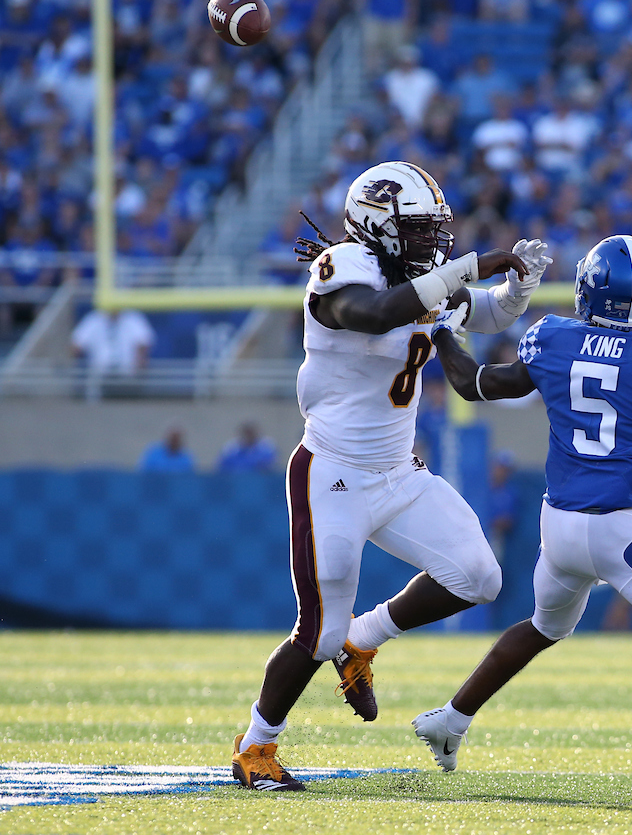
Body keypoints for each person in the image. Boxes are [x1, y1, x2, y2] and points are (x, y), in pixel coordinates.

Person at [230, 161, 549, 792]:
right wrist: (466, 269)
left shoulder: (419, 277)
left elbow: (478, 313)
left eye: (436, 228)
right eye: (420, 228)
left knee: (479, 576)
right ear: (378, 226)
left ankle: (365, 641)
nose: (434, 241)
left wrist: (517, 290)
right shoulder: (343, 268)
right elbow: (374, 315)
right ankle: (255, 747)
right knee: (317, 633)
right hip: (333, 473)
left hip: (399, 473)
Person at [413, 235, 632, 805]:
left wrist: (442, 331)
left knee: (544, 627)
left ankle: (450, 718)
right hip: (619, 530)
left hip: (559, 525)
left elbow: (474, 386)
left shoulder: (553, 337)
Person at [70, 307, 154, 401]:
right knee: (93, 384)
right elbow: (76, 345)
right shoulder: (94, 319)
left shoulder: (134, 318)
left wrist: (140, 365)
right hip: (100, 373)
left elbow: (144, 343)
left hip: (127, 372)